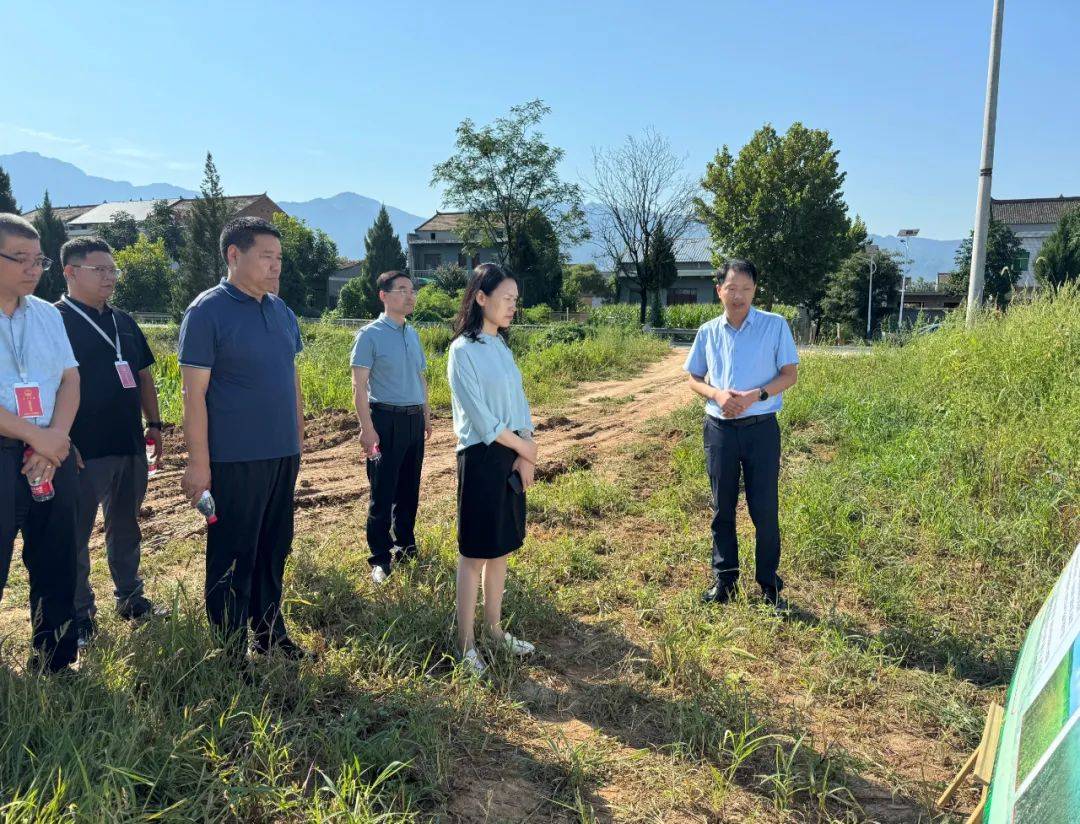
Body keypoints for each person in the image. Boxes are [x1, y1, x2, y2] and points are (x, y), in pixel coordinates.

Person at [178, 216, 309, 663]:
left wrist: (298, 430)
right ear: (234, 256)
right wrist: (199, 462)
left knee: (275, 545)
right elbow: (192, 393)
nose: (275, 267)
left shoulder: (281, 311)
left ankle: (270, 633)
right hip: (235, 458)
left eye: (279, 258)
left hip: (281, 453)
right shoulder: (207, 312)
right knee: (235, 552)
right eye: (266, 257)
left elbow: (291, 377)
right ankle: (230, 651)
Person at [56, 236, 167, 648]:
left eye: (113, 270)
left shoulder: (123, 320)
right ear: (70, 272)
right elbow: (48, 385)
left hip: (128, 443)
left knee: (126, 526)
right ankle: (80, 614)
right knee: (76, 534)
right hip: (82, 450)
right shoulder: (55, 321)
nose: (110, 277)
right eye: (99, 270)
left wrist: (153, 422)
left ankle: (131, 599)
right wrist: (61, 439)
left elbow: (142, 374)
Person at [684, 259, 799, 609]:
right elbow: (693, 378)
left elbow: (789, 374)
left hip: (761, 429)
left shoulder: (774, 326)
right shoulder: (708, 331)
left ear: (755, 291)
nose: (739, 296)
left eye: (746, 289)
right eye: (731, 288)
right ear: (719, 290)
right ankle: (725, 580)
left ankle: (769, 585)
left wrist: (756, 395)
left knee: (764, 509)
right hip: (719, 429)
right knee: (722, 508)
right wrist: (717, 395)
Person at [0, 213, 80, 673]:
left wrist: (56, 440)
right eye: (21, 259)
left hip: (52, 452)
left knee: (56, 558)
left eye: (39, 260)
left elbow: (70, 379)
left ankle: (56, 656)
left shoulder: (48, 315)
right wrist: (37, 437)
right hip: (14, 449)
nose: (33, 269)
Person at [447, 263, 537, 675]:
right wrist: (525, 447)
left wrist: (524, 451)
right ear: (481, 298)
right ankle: (466, 645)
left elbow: (519, 404)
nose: (512, 307)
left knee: (500, 550)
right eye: (506, 299)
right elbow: (480, 419)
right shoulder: (461, 351)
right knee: (474, 555)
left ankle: (495, 630)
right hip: (481, 457)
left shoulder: (502, 347)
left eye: (515, 300)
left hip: (510, 453)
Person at [350, 270, 431, 585]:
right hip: (384, 420)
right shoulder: (370, 334)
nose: (410, 295)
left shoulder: (412, 334)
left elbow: (421, 377)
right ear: (383, 295)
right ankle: (380, 559)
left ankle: (406, 547)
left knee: (409, 490)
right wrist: (366, 428)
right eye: (402, 290)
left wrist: (425, 414)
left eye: (412, 290)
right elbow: (359, 386)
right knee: (382, 493)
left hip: (412, 420)